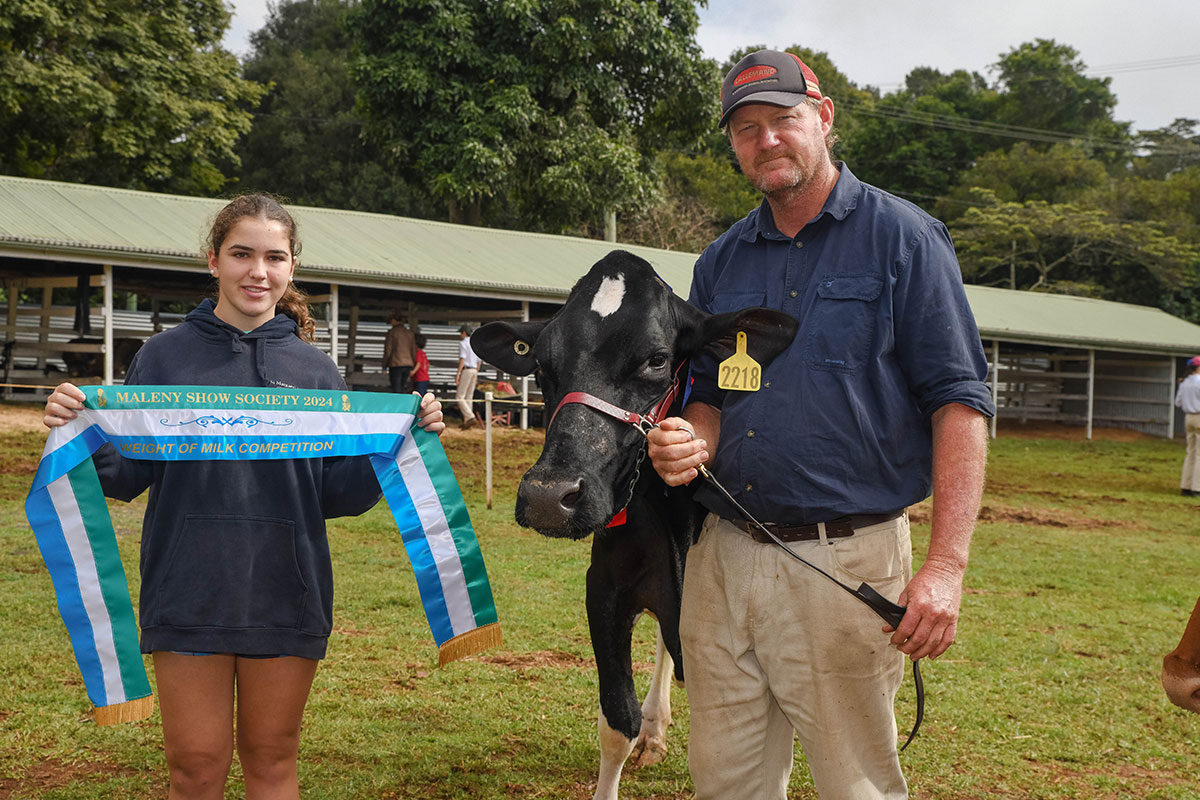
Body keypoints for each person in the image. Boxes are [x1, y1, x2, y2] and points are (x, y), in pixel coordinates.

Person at [645, 50, 994, 800]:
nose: (766, 140)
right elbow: (708, 392)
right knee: (723, 783)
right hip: (721, 560)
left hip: (847, 564)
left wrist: (946, 569)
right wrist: (688, 442)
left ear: (824, 118)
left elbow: (959, 405)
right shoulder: (720, 261)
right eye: (746, 129)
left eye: (783, 120)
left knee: (854, 786)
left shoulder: (905, 239)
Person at [41, 194, 445, 800]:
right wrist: (75, 431)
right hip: (188, 584)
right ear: (213, 261)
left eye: (274, 257)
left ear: (291, 268)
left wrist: (399, 444)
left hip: (289, 584)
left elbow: (335, 491)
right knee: (195, 770)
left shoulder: (315, 372)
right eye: (242, 254)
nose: (258, 271)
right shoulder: (162, 356)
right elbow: (126, 476)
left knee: (273, 760)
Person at [1175, 356, 1200, 496]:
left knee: (1190, 451)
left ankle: (1186, 485)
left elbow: (1178, 402)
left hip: (1188, 418)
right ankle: (1197, 488)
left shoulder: (1184, 383)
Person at [383, 311, 417, 394]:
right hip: (408, 363)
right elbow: (413, 350)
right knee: (402, 387)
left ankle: (397, 406)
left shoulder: (392, 332)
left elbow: (388, 350)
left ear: (394, 320)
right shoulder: (410, 333)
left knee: (396, 388)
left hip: (396, 363)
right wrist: (413, 363)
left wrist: (384, 365)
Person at [456, 324, 481, 429]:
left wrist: (458, 373)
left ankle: (470, 416)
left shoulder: (463, 344)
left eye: (461, 333)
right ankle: (468, 421)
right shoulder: (475, 344)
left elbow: (462, 359)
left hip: (467, 370)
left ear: (464, 333)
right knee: (469, 397)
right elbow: (479, 361)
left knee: (459, 397)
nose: (461, 335)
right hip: (475, 370)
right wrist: (477, 372)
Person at [411, 333, 431, 398]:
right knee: (423, 393)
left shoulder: (418, 353)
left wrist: (413, 372)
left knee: (419, 396)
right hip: (426, 377)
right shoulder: (423, 354)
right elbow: (428, 364)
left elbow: (418, 363)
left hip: (420, 379)